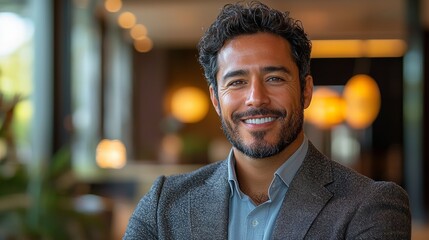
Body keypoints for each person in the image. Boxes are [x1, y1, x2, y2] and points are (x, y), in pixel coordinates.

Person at [123, 1, 411, 239]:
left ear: (306, 90)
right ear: (215, 99)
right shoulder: (164, 205)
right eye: (236, 82)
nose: (256, 98)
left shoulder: (370, 206)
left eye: (274, 78)